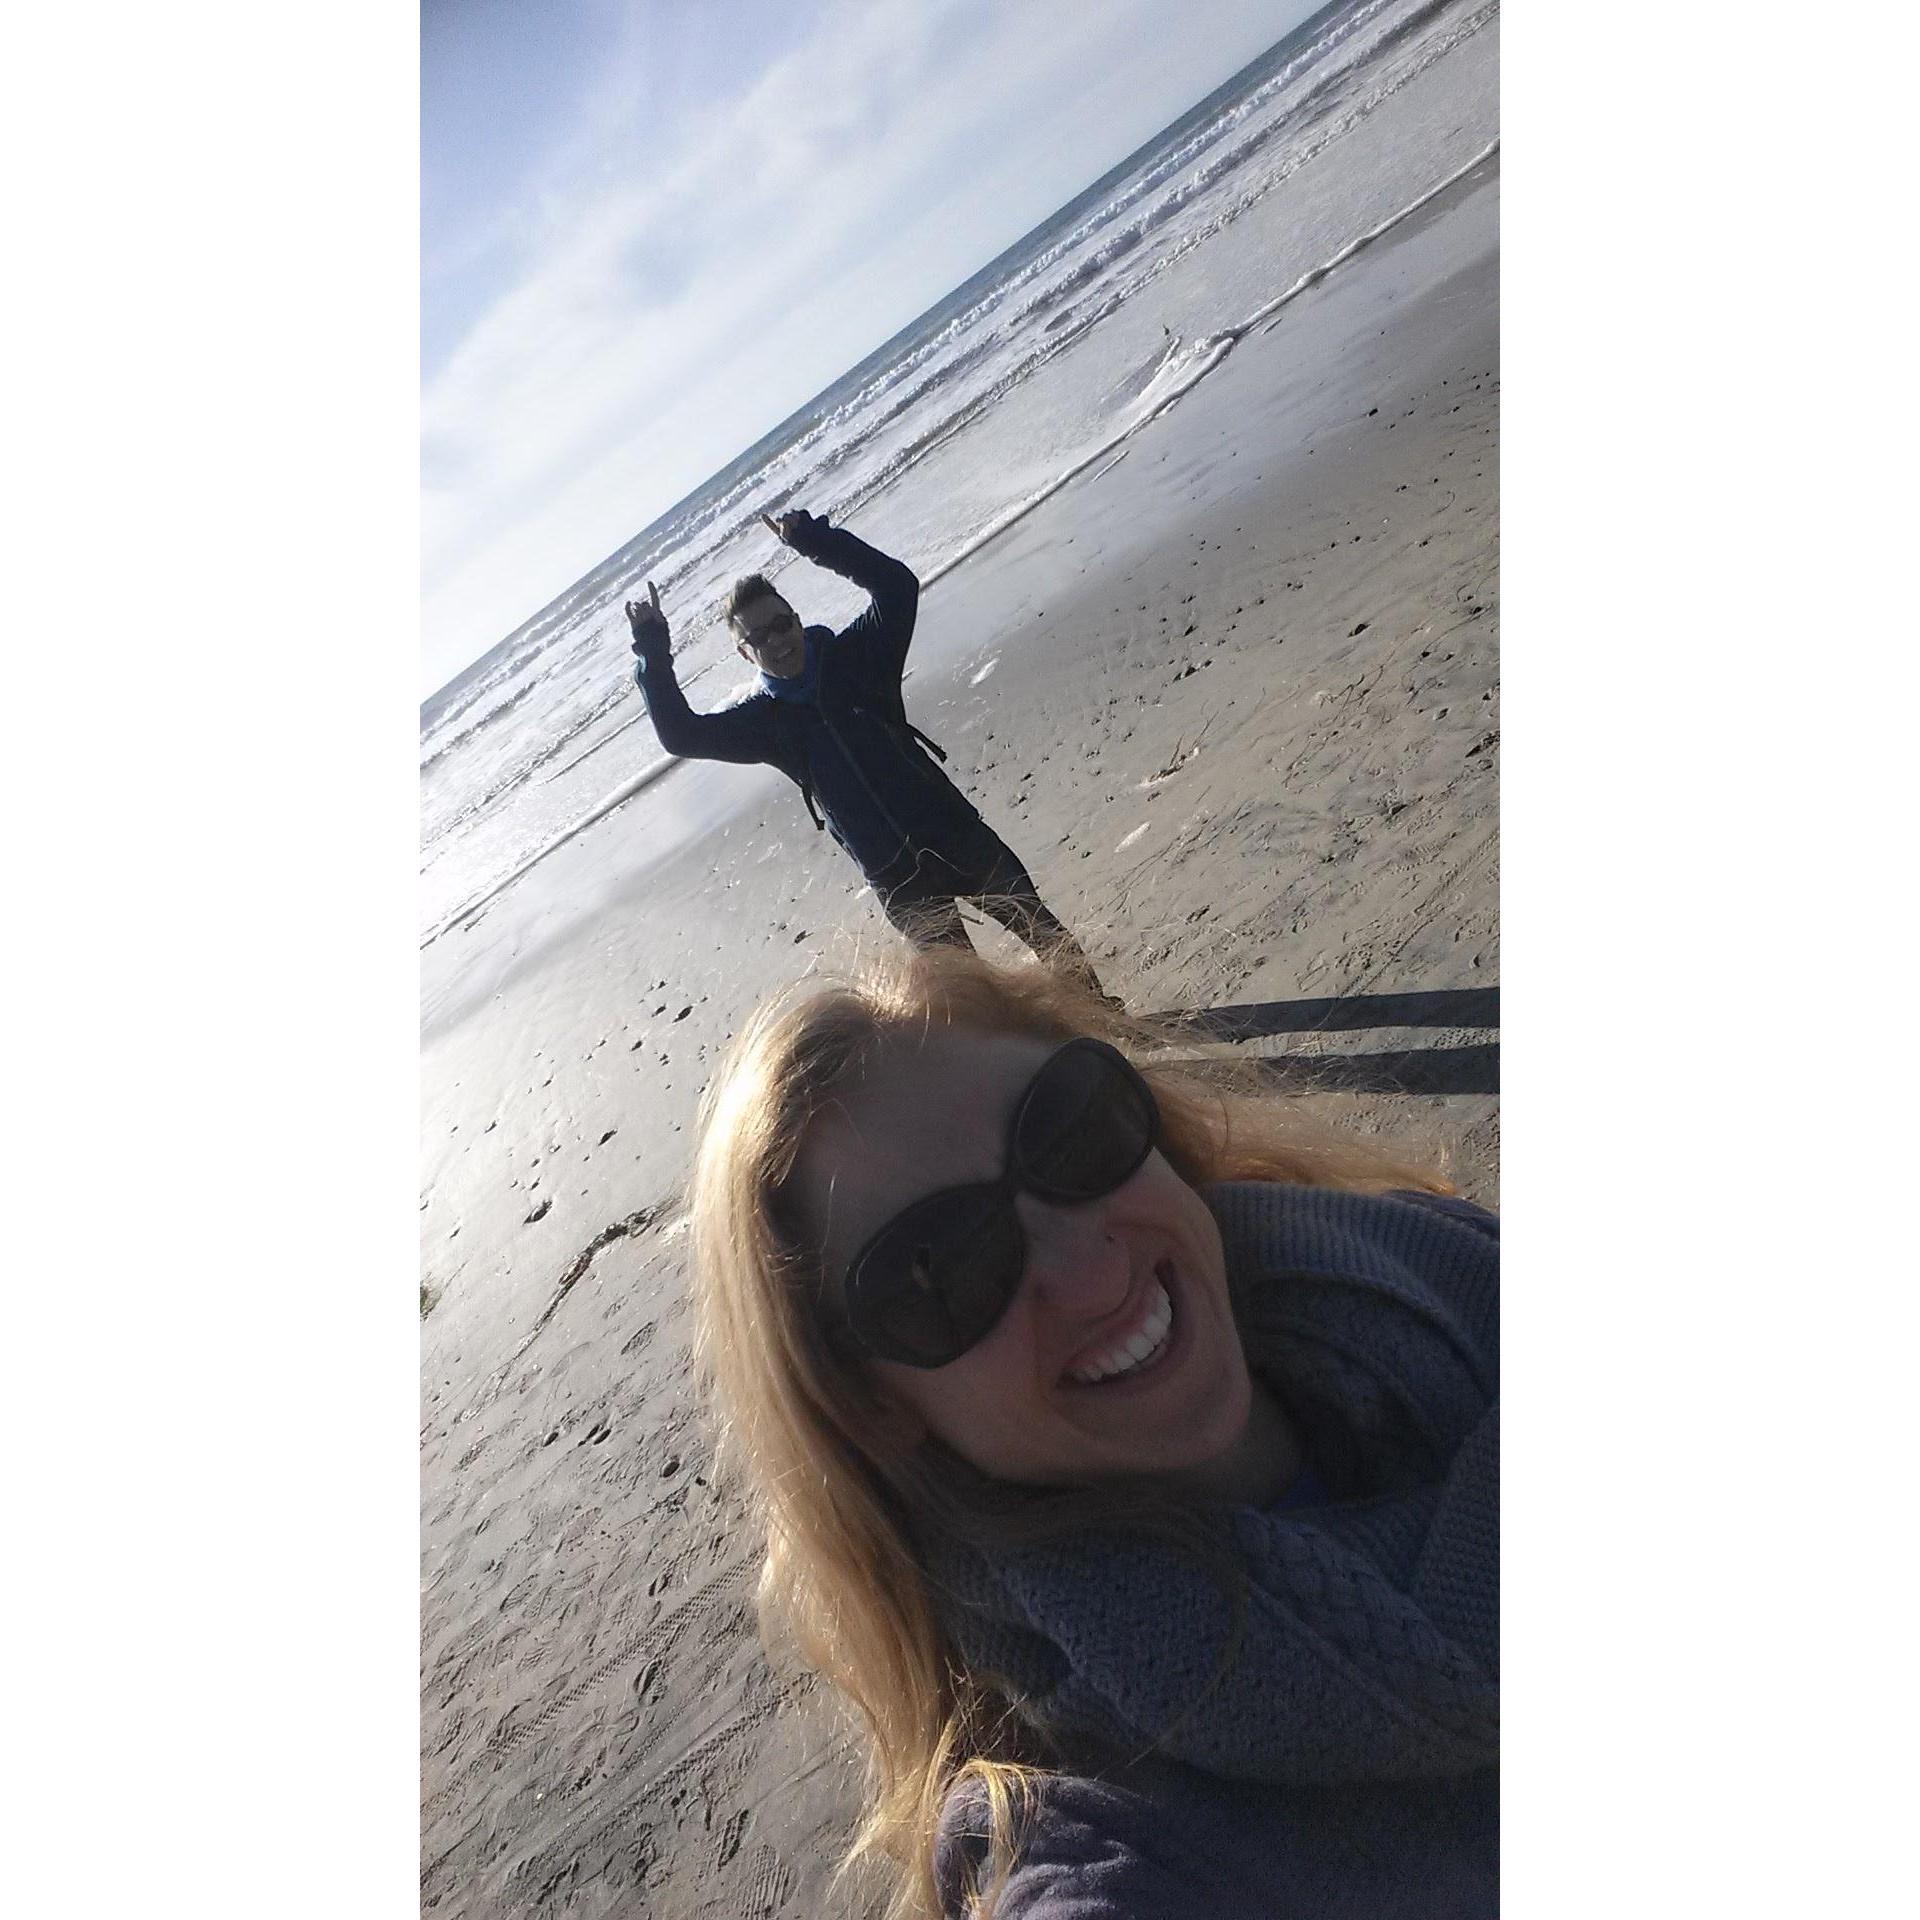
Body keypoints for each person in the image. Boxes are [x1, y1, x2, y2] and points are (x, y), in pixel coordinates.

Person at [688, 947, 1499, 1920]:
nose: (1085, 1271)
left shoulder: (1443, 1279)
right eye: (938, 1272)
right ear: (870, 1405)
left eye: (1067, 1133)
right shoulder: (1098, 1839)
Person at [626, 510, 1111, 996]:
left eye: (781, 622)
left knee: (1043, 933)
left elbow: (897, 586)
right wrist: (652, 648)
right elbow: (682, 733)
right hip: (897, 880)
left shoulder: (859, 657)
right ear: (744, 654)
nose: (776, 640)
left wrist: (816, 541)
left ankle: (1115, 1025)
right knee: (972, 996)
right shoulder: (764, 724)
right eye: (759, 636)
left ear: (797, 619)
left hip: (955, 834)